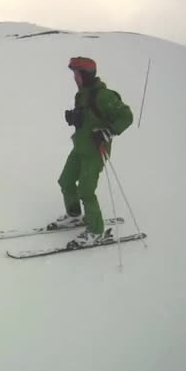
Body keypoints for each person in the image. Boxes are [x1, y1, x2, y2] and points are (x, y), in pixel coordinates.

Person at [50, 56, 133, 246]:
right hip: (80, 146)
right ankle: (74, 216)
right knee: (66, 181)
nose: (75, 78)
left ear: (86, 75)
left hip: (95, 151)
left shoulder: (103, 96)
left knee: (86, 191)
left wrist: (109, 131)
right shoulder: (82, 94)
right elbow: (91, 116)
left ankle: (96, 231)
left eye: (77, 74)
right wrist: (76, 118)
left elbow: (126, 116)